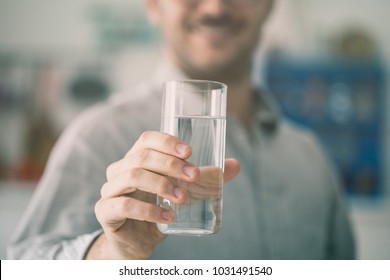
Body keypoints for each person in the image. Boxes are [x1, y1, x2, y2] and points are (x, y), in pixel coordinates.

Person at [8, 0, 355, 260]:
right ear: (154, 4)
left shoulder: (311, 158)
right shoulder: (96, 137)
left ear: (269, 5)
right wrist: (110, 253)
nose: (216, 6)